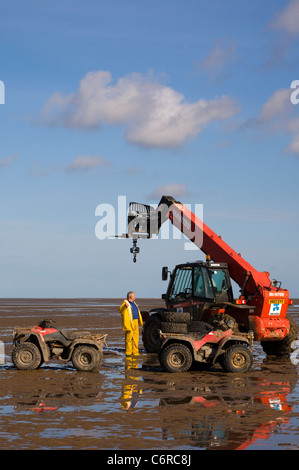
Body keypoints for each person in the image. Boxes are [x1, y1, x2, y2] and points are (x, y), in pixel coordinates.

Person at [119, 291, 143, 356]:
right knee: (129, 338)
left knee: (136, 338)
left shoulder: (134, 303)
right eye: (134, 295)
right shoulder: (125, 303)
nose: (135, 296)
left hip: (135, 322)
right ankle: (128, 353)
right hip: (129, 323)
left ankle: (135, 352)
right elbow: (120, 310)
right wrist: (124, 306)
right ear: (131, 296)